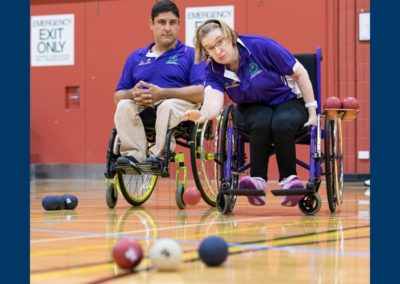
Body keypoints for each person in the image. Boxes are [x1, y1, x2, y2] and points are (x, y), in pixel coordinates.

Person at [182, 19, 318, 207]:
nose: (218, 51)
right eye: (210, 48)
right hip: (251, 107)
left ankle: (289, 181)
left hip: (286, 101)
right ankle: (257, 182)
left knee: (281, 122)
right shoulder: (213, 69)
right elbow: (213, 100)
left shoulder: (261, 46)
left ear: (229, 35)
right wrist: (203, 115)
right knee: (261, 121)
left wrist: (312, 112)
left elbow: (300, 74)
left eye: (220, 42)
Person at [114, 0, 205, 171]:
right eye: (162, 22)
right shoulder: (136, 57)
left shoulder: (191, 54)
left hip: (178, 104)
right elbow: (117, 96)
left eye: (172, 22)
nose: (167, 28)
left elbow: (201, 92)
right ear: (152, 24)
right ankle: (134, 156)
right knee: (124, 105)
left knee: (167, 105)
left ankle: (158, 157)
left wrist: (163, 93)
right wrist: (132, 93)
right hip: (144, 105)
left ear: (179, 25)